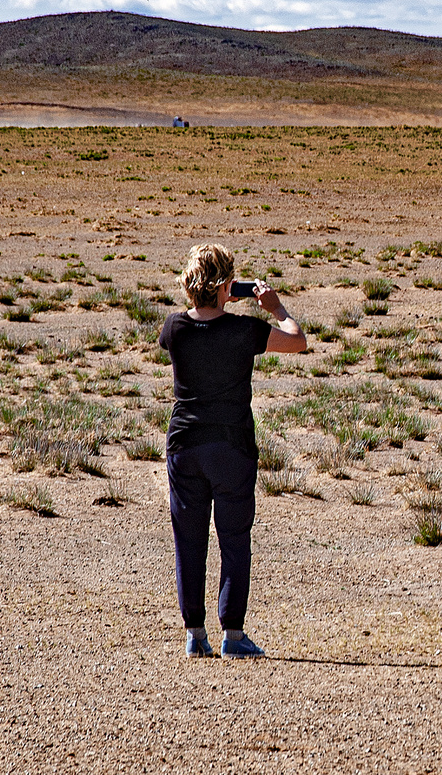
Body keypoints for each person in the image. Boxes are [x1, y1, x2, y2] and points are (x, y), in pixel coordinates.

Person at [159, 243, 306, 658]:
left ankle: (195, 634)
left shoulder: (174, 329)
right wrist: (276, 308)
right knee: (234, 539)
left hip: (185, 444)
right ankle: (234, 635)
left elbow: (192, 325)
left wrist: (216, 297)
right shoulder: (245, 332)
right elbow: (298, 342)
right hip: (232, 447)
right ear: (227, 286)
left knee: (188, 541)